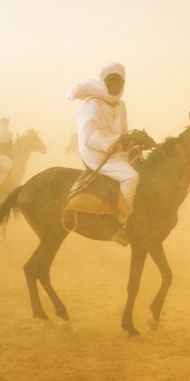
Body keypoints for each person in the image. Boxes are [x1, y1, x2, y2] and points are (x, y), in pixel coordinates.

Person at [68, 62, 139, 245]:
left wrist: (134, 142)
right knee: (131, 176)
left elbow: (122, 133)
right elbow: (89, 135)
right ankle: (120, 225)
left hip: (115, 151)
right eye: (111, 81)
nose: (116, 85)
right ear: (103, 82)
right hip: (95, 152)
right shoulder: (92, 103)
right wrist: (117, 141)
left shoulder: (121, 105)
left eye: (119, 81)